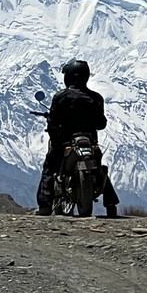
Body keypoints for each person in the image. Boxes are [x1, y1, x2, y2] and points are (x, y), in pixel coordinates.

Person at [36, 59, 120, 217]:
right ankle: (110, 203)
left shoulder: (61, 96)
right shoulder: (96, 98)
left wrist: (54, 132)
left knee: (50, 167)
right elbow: (101, 124)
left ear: (68, 76)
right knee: (98, 167)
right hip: (90, 142)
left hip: (65, 143)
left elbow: (53, 121)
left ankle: (45, 205)